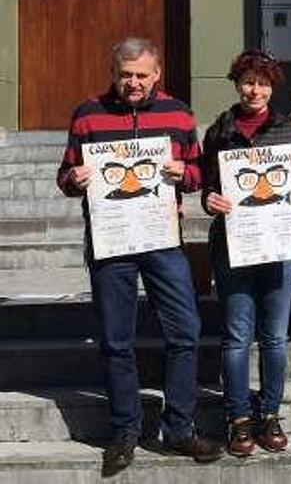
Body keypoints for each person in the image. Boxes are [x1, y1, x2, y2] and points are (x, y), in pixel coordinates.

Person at [56, 37, 222, 474]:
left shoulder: (179, 113)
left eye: (141, 75)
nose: (133, 83)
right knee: (115, 340)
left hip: (163, 242)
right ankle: (125, 430)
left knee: (185, 331)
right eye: (125, 75)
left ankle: (180, 428)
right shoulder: (87, 114)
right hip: (111, 245)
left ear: (157, 73)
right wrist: (74, 177)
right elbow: (65, 174)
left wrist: (182, 173)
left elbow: (198, 173)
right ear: (114, 74)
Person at [200, 49, 291, 457]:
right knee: (235, 337)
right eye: (248, 81)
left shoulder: (288, 130)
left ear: (272, 87)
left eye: (263, 83)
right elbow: (207, 187)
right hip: (235, 245)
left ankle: (268, 413)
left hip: (281, 248)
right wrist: (210, 199)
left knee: (275, 336)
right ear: (237, 83)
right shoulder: (219, 131)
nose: (255, 90)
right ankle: (238, 418)